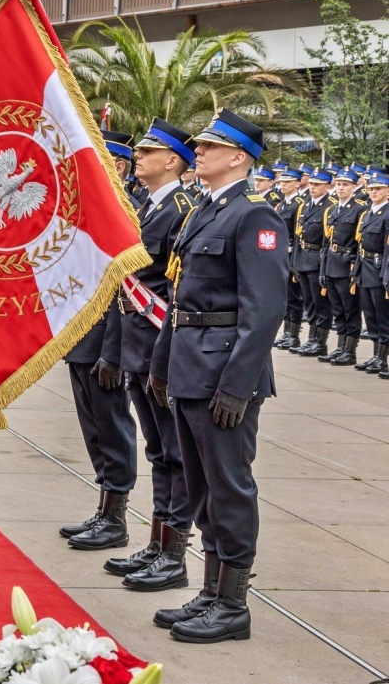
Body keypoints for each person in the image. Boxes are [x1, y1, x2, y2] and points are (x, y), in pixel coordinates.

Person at [149, 109, 287, 644]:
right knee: (200, 485)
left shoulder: (254, 216)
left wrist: (238, 384)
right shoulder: (204, 212)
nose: (197, 151)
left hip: (223, 372)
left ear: (239, 157)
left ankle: (233, 604)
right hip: (189, 364)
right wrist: (162, 364)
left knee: (229, 488)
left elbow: (264, 310)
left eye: (210, 145)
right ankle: (210, 591)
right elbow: (180, 300)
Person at [106, 120, 198, 591]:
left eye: (148, 152)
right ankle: (158, 542)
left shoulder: (183, 209)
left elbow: (174, 286)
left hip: (161, 344)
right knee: (159, 450)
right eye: (138, 152)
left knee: (176, 453)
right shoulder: (148, 205)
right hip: (139, 343)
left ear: (172, 161)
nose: (137, 158)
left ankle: (175, 553)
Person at [59, 129, 139, 555]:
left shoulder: (128, 211)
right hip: (81, 336)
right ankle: (104, 506)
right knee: (93, 428)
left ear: (119, 167)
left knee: (112, 427)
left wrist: (114, 350)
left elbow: (125, 292)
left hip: (108, 339)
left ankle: (116, 517)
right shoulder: (89, 208)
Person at [319, 169, 367, 366]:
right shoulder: (331, 210)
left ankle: (350, 350)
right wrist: (323, 268)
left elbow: (359, 242)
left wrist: (354, 268)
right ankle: (340, 346)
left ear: (354, 187)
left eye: (345, 184)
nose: (341, 188)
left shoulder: (360, 209)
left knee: (350, 309)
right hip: (331, 263)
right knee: (337, 309)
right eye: (338, 184)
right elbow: (325, 243)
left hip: (347, 265)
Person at [289, 169, 334, 358]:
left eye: (317, 184)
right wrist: (295, 263)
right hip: (304, 259)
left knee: (320, 303)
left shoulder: (328, 207)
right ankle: (312, 338)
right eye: (312, 184)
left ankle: (320, 341)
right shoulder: (305, 206)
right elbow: (298, 236)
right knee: (309, 302)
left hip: (317, 259)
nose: (312, 187)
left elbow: (327, 240)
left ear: (327, 186)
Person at [356, 172, 389, 374]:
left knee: (383, 316)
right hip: (365, 268)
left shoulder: (387, 213)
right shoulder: (369, 212)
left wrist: (386, 275)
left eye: (378, 188)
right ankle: (377, 356)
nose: (374, 192)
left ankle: (383, 359)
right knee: (371, 316)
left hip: (379, 270)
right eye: (371, 188)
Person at [273, 167, 307, 350]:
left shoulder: (298, 204)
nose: (283, 185)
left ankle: (293, 334)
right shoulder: (283, 204)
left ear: (297, 183)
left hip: (292, 253)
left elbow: (298, 233)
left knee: (294, 296)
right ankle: (286, 333)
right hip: (282, 254)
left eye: (287, 182)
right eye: (282, 182)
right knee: (285, 296)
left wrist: (295, 260)